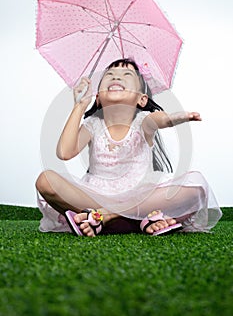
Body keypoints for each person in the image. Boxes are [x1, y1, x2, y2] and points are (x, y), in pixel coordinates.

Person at [36, 58, 222, 237]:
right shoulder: (92, 125)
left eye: (127, 75)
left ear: (141, 99)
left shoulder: (143, 122)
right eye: (109, 74)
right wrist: (79, 106)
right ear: (98, 97)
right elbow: (64, 152)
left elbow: (162, 119)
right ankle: (135, 221)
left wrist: (179, 117)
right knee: (45, 181)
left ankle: (106, 217)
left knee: (196, 187)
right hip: (98, 196)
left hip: (141, 197)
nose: (116, 77)